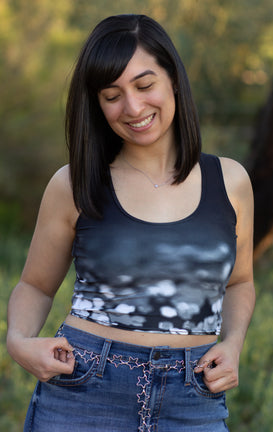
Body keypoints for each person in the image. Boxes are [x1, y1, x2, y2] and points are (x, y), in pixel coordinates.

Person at [6, 14, 255, 432]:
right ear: (97, 103)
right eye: (111, 95)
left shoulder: (230, 181)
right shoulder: (75, 183)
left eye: (144, 85)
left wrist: (232, 345)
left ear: (172, 78)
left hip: (193, 399)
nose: (133, 107)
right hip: (84, 391)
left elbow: (239, 283)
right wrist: (18, 342)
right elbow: (35, 285)